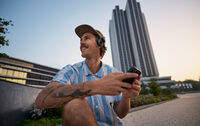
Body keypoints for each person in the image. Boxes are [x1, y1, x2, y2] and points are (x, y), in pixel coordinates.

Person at [35, 24, 141, 126]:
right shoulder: (70, 71)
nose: (81, 42)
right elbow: (41, 100)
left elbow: (120, 114)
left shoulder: (114, 74)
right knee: (74, 104)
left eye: (86, 38)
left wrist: (126, 97)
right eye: (80, 40)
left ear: (100, 43)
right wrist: (97, 86)